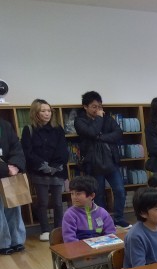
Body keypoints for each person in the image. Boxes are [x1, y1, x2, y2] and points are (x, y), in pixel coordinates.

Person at [74, 91, 129, 229]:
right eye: (94, 107)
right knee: (98, 195)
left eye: (99, 106)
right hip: (93, 164)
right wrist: (98, 119)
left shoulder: (107, 118)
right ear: (85, 107)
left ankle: (119, 218)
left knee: (120, 190)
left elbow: (118, 133)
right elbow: (91, 132)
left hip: (111, 161)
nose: (98, 110)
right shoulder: (79, 121)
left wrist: (100, 137)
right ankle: (102, 222)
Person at [62, 176, 116, 269]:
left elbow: (111, 234)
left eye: (78, 194)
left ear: (92, 195)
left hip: (102, 252)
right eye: (72, 193)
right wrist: (86, 252)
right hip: (82, 256)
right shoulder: (70, 215)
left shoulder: (102, 213)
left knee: (117, 267)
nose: (74, 197)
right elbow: (70, 240)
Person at [21, 99, 68, 242]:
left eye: (49, 111)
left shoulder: (58, 128)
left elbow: (62, 149)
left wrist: (55, 166)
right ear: (36, 113)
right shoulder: (28, 129)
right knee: (43, 202)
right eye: (43, 111)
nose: (47, 114)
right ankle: (45, 230)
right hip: (39, 171)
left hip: (57, 170)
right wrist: (43, 166)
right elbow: (27, 152)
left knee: (58, 203)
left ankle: (58, 229)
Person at [0, 119, 27, 255]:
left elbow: (16, 147)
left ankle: (16, 240)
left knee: (13, 207)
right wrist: (5, 168)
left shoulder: (4, 124)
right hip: (5, 170)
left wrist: (15, 165)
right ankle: (3, 243)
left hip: (9, 174)